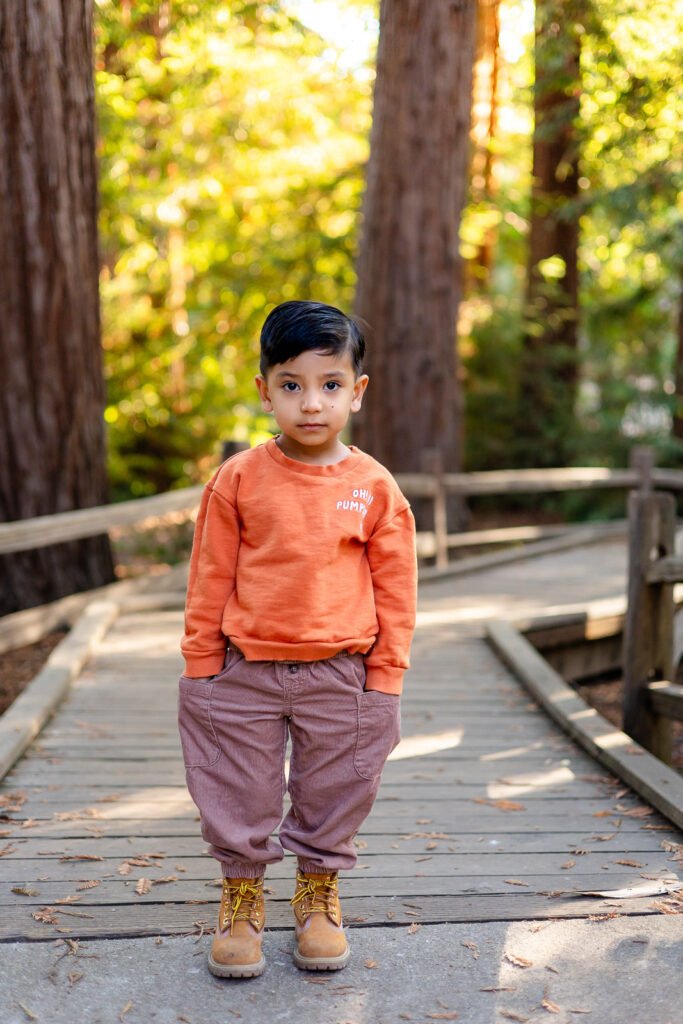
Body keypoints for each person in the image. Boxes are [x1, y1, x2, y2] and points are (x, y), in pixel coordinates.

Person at [178, 300, 417, 978]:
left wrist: (385, 675)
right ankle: (242, 893)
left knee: (337, 786)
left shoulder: (373, 488)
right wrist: (201, 666)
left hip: (341, 672)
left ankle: (317, 892)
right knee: (235, 787)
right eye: (291, 385)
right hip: (242, 670)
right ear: (264, 392)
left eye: (329, 385)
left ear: (356, 392)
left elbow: (397, 589)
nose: (311, 404)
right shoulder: (239, 480)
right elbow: (210, 575)